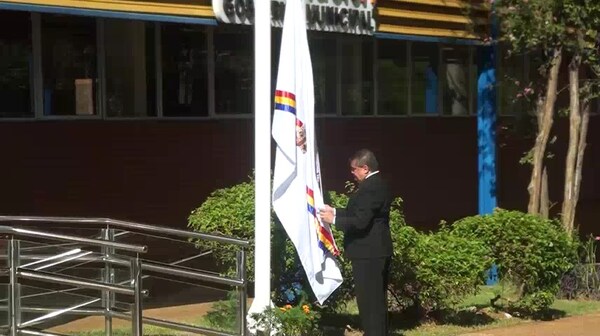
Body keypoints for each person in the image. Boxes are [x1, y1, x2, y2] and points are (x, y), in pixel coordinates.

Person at [319, 149, 392, 336]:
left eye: (354, 169)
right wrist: (334, 211)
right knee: (373, 303)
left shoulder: (371, 187)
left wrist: (333, 220)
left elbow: (360, 222)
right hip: (372, 252)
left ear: (365, 168)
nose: (352, 173)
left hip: (369, 253)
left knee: (371, 304)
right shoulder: (374, 185)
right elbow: (359, 212)